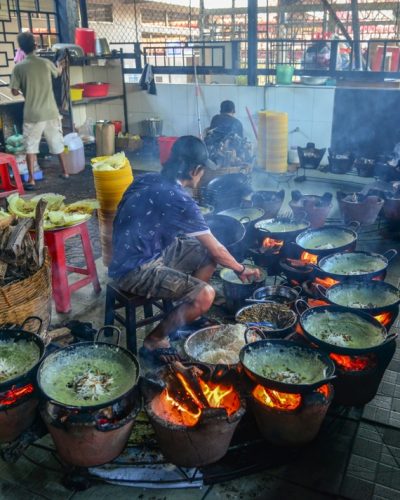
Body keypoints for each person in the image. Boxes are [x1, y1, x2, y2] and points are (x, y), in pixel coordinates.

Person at [109, 135, 260, 363]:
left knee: (205, 253)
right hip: (134, 269)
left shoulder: (146, 179)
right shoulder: (179, 199)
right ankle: (155, 339)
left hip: (137, 253)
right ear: (194, 170)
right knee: (206, 293)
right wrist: (240, 269)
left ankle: (185, 313)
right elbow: (218, 250)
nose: (203, 174)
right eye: (202, 170)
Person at [10, 31, 68, 190]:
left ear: (20, 48)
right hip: (50, 111)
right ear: (35, 46)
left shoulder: (19, 68)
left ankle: (31, 180)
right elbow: (57, 74)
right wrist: (60, 65)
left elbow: (14, 91)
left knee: (31, 147)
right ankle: (65, 172)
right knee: (57, 142)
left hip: (32, 113)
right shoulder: (45, 63)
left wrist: (25, 90)